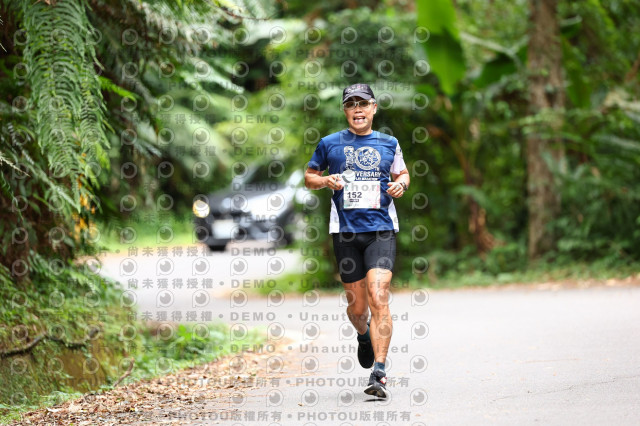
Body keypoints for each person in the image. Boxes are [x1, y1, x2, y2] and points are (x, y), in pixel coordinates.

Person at [304, 83, 410, 398]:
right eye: (351, 104)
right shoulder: (329, 144)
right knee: (357, 308)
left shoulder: (389, 143)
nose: (358, 109)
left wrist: (401, 185)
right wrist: (325, 180)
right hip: (346, 232)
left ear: (374, 108)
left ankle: (379, 372)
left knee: (379, 296)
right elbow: (309, 176)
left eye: (363, 103)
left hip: (381, 230)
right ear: (345, 111)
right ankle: (363, 335)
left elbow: (402, 174)